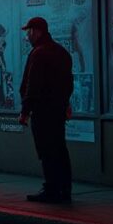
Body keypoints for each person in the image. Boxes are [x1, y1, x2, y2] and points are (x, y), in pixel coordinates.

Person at [18, 17, 74, 203]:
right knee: (59, 148)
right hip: (58, 110)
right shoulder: (62, 52)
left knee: (46, 151)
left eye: (29, 31)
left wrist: (25, 111)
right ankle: (64, 189)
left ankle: (51, 189)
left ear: (37, 31)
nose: (27, 35)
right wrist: (65, 104)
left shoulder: (39, 54)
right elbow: (69, 83)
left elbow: (33, 85)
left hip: (43, 111)